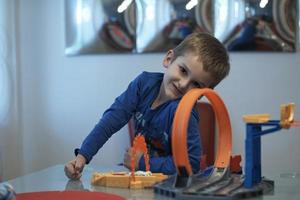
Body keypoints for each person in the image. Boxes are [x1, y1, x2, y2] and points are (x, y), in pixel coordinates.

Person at [64, 32, 230, 180]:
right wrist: (82, 156)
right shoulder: (143, 84)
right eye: (183, 71)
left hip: (169, 186)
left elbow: (191, 164)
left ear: (203, 93)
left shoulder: (185, 112)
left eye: (196, 84)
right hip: (142, 179)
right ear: (169, 59)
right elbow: (111, 120)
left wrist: (142, 162)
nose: (183, 84)